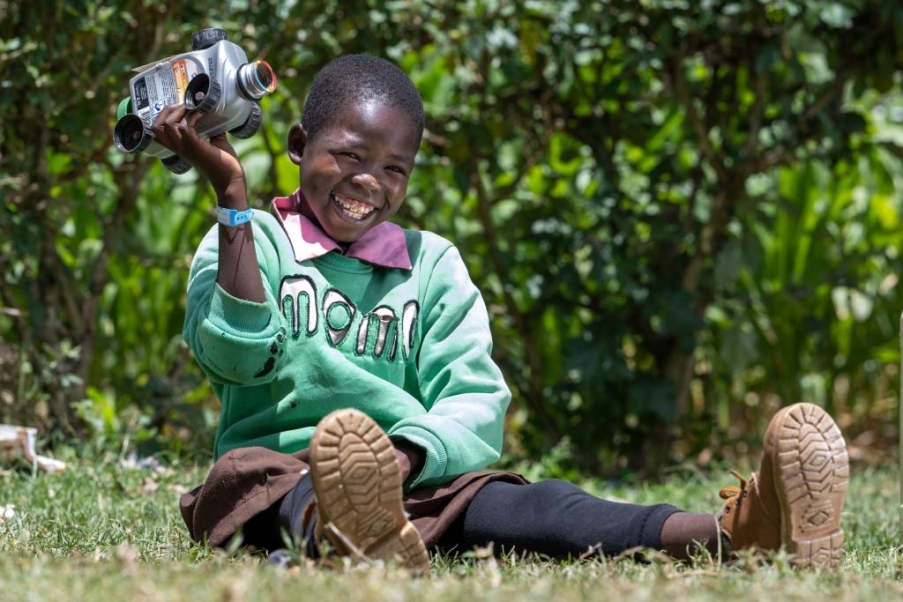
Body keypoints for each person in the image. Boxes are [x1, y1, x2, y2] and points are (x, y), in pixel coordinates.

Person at [150, 54, 849, 573]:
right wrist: (232, 198)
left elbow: (475, 400)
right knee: (266, 486)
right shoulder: (249, 244)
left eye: (395, 168)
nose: (370, 182)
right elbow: (236, 356)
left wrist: (406, 454)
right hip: (279, 472)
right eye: (348, 156)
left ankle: (739, 531)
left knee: (538, 508)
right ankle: (346, 532)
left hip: (412, 474)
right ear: (299, 146)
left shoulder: (431, 264)